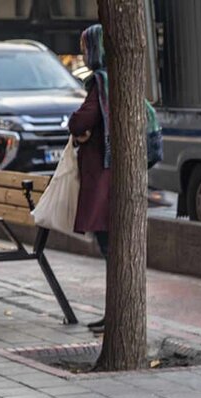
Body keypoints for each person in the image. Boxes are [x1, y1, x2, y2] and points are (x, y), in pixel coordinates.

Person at [70, 24, 112, 333]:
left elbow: (82, 120)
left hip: (102, 177)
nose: (84, 55)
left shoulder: (100, 81)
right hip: (108, 174)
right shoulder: (113, 78)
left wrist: (78, 128)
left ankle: (114, 314)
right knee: (108, 247)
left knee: (109, 247)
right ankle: (113, 314)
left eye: (86, 48)